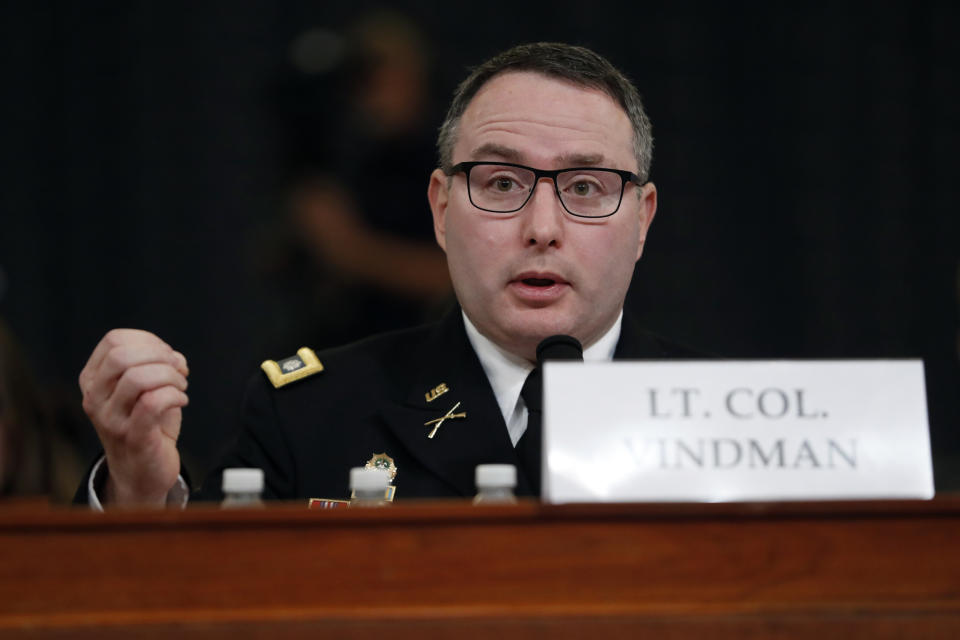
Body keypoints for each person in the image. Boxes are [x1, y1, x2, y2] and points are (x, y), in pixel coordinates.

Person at [75, 42, 694, 508]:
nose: (541, 227)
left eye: (585, 188)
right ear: (442, 210)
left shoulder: (723, 421)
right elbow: (193, 600)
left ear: (641, 220)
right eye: (501, 183)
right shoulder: (308, 417)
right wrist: (139, 490)